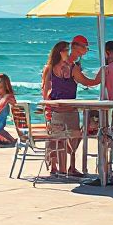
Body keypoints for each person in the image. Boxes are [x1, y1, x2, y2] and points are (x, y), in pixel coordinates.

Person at [41, 36, 100, 176]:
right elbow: (86, 82)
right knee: (72, 136)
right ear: (61, 52)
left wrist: (47, 107)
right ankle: (68, 167)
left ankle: (57, 167)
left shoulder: (50, 68)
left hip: (55, 108)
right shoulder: (71, 68)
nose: (69, 52)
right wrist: (100, 77)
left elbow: (44, 91)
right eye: (66, 50)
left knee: (60, 137)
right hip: (65, 109)